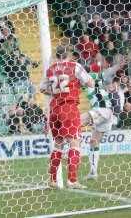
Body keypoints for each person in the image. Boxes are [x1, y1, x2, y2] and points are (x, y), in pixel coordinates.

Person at [40, 45, 94, 189]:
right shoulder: (74, 66)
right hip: (69, 108)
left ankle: (52, 179)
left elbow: (42, 89)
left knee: (58, 145)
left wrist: (56, 91)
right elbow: (90, 82)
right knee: (74, 143)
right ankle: (72, 179)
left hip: (54, 109)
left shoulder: (50, 69)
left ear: (57, 56)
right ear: (69, 54)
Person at [81, 71, 115, 180]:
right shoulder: (85, 84)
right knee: (93, 142)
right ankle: (93, 172)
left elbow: (103, 75)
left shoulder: (91, 77)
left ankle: (67, 150)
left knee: (75, 122)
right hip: (106, 113)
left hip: (102, 110)